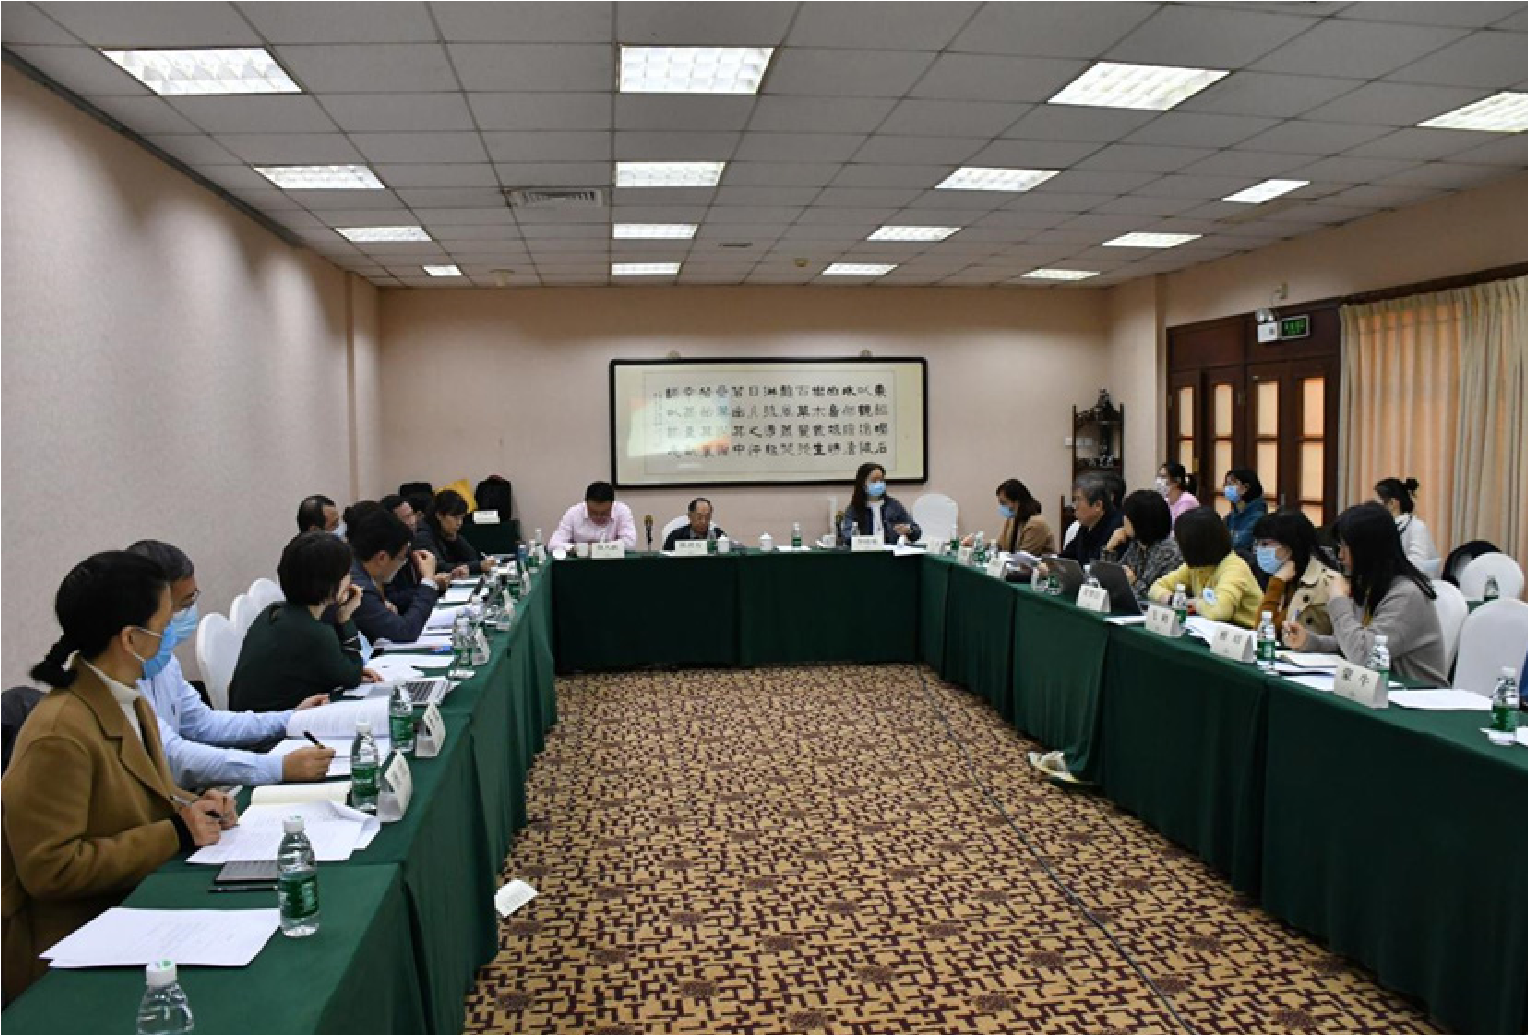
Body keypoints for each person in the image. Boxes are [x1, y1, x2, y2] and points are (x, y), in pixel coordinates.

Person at [1, 552, 232, 1000]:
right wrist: (175, 832)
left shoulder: (127, 700)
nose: (170, 635)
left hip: (134, 910)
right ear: (130, 638)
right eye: (164, 625)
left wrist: (197, 804)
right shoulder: (59, 733)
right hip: (74, 947)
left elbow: (146, 792)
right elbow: (51, 869)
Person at [126, 541, 334, 787]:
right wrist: (279, 767)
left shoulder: (165, 661)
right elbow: (172, 755)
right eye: (180, 607)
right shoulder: (119, 680)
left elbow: (204, 724)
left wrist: (290, 719)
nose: (180, 616)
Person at [1283, 504, 1447, 684]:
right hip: (1377, 688)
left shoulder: (1407, 595)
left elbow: (1363, 655)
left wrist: (1338, 599)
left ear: (1367, 550)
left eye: (1345, 547)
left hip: (1415, 693)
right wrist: (1309, 641)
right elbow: (1351, 642)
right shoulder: (1370, 584)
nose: (1340, 556)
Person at [228, 532, 379, 712]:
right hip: (274, 725)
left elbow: (336, 668)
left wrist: (348, 668)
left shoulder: (272, 611)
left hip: (248, 718)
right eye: (345, 574)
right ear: (327, 584)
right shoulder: (314, 632)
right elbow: (352, 678)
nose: (350, 579)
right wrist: (345, 618)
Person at [1149, 506, 1263, 628]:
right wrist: (1174, 600)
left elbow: (1219, 611)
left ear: (1195, 546)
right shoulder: (1196, 566)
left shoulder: (1235, 568)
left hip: (1247, 632)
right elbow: (1156, 587)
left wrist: (1192, 603)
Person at [349, 508, 449, 645]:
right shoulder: (359, 588)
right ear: (382, 557)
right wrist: (428, 581)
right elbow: (405, 631)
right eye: (401, 558)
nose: (402, 564)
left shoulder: (356, 569)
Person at [1250, 511, 1339, 635]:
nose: (1258, 550)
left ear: (1289, 547)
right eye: (1257, 544)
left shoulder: (1321, 583)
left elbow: (1267, 633)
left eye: (1265, 544)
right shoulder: (1283, 576)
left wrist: (1276, 583)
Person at [1100, 489, 1183, 597]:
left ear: (1141, 521)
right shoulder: (1137, 544)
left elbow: (1159, 596)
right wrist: (1109, 548)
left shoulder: (1170, 552)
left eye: (1128, 516)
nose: (1124, 519)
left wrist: (1134, 582)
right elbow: (1109, 580)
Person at [414, 489, 492, 576]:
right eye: (455, 518)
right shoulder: (423, 536)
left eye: (461, 518)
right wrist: (477, 566)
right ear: (439, 515)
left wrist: (456, 541)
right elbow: (438, 567)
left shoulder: (446, 531)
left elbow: (473, 557)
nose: (459, 523)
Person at [965, 480, 1054, 555]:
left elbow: (1024, 557)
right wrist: (977, 543)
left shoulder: (1037, 523)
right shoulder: (1012, 519)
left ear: (1017, 502)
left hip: (1038, 569)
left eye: (1003, 503)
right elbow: (1000, 545)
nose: (1001, 507)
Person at [1375, 477, 1441, 578]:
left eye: (1377, 504)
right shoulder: (1384, 528)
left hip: (1418, 582)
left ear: (1392, 503)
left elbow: (1418, 565)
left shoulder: (1416, 527)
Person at [839, 463, 920, 545]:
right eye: (874, 481)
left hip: (890, 551)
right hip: (866, 551)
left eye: (881, 480)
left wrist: (908, 530)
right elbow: (847, 536)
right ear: (863, 484)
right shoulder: (854, 508)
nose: (878, 484)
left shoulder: (894, 505)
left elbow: (917, 532)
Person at [549, 481, 638, 549]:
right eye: (593, 512)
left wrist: (596, 548)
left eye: (604, 513)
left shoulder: (622, 511)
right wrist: (575, 548)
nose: (599, 517)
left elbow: (630, 543)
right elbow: (553, 545)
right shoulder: (574, 513)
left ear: (612, 505)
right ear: (586, 504)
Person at [1059, 474, 1124, 566]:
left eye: (1078, 500)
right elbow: (1067, 557)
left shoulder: (1117, 528)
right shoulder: (1086, 526)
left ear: (1098, 505)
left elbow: (1099, 567)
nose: (1074, 507)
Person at [1222, 468, 1268, 552]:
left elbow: (1239, 544)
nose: (1226, 488)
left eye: (1230, 484)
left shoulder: (1258, 517)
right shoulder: (1233, 514)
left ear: (1246, 487)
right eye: (1225, 484)